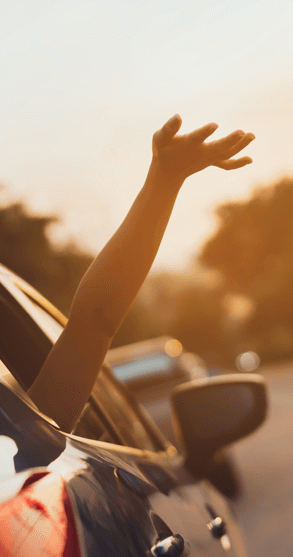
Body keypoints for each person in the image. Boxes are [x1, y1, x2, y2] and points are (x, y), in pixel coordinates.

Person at [27, 115, 255, 430]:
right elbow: (95, 321)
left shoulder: (27, 436)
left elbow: (96, 320)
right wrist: (165, 180)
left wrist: (166, 181)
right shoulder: (28, 437)